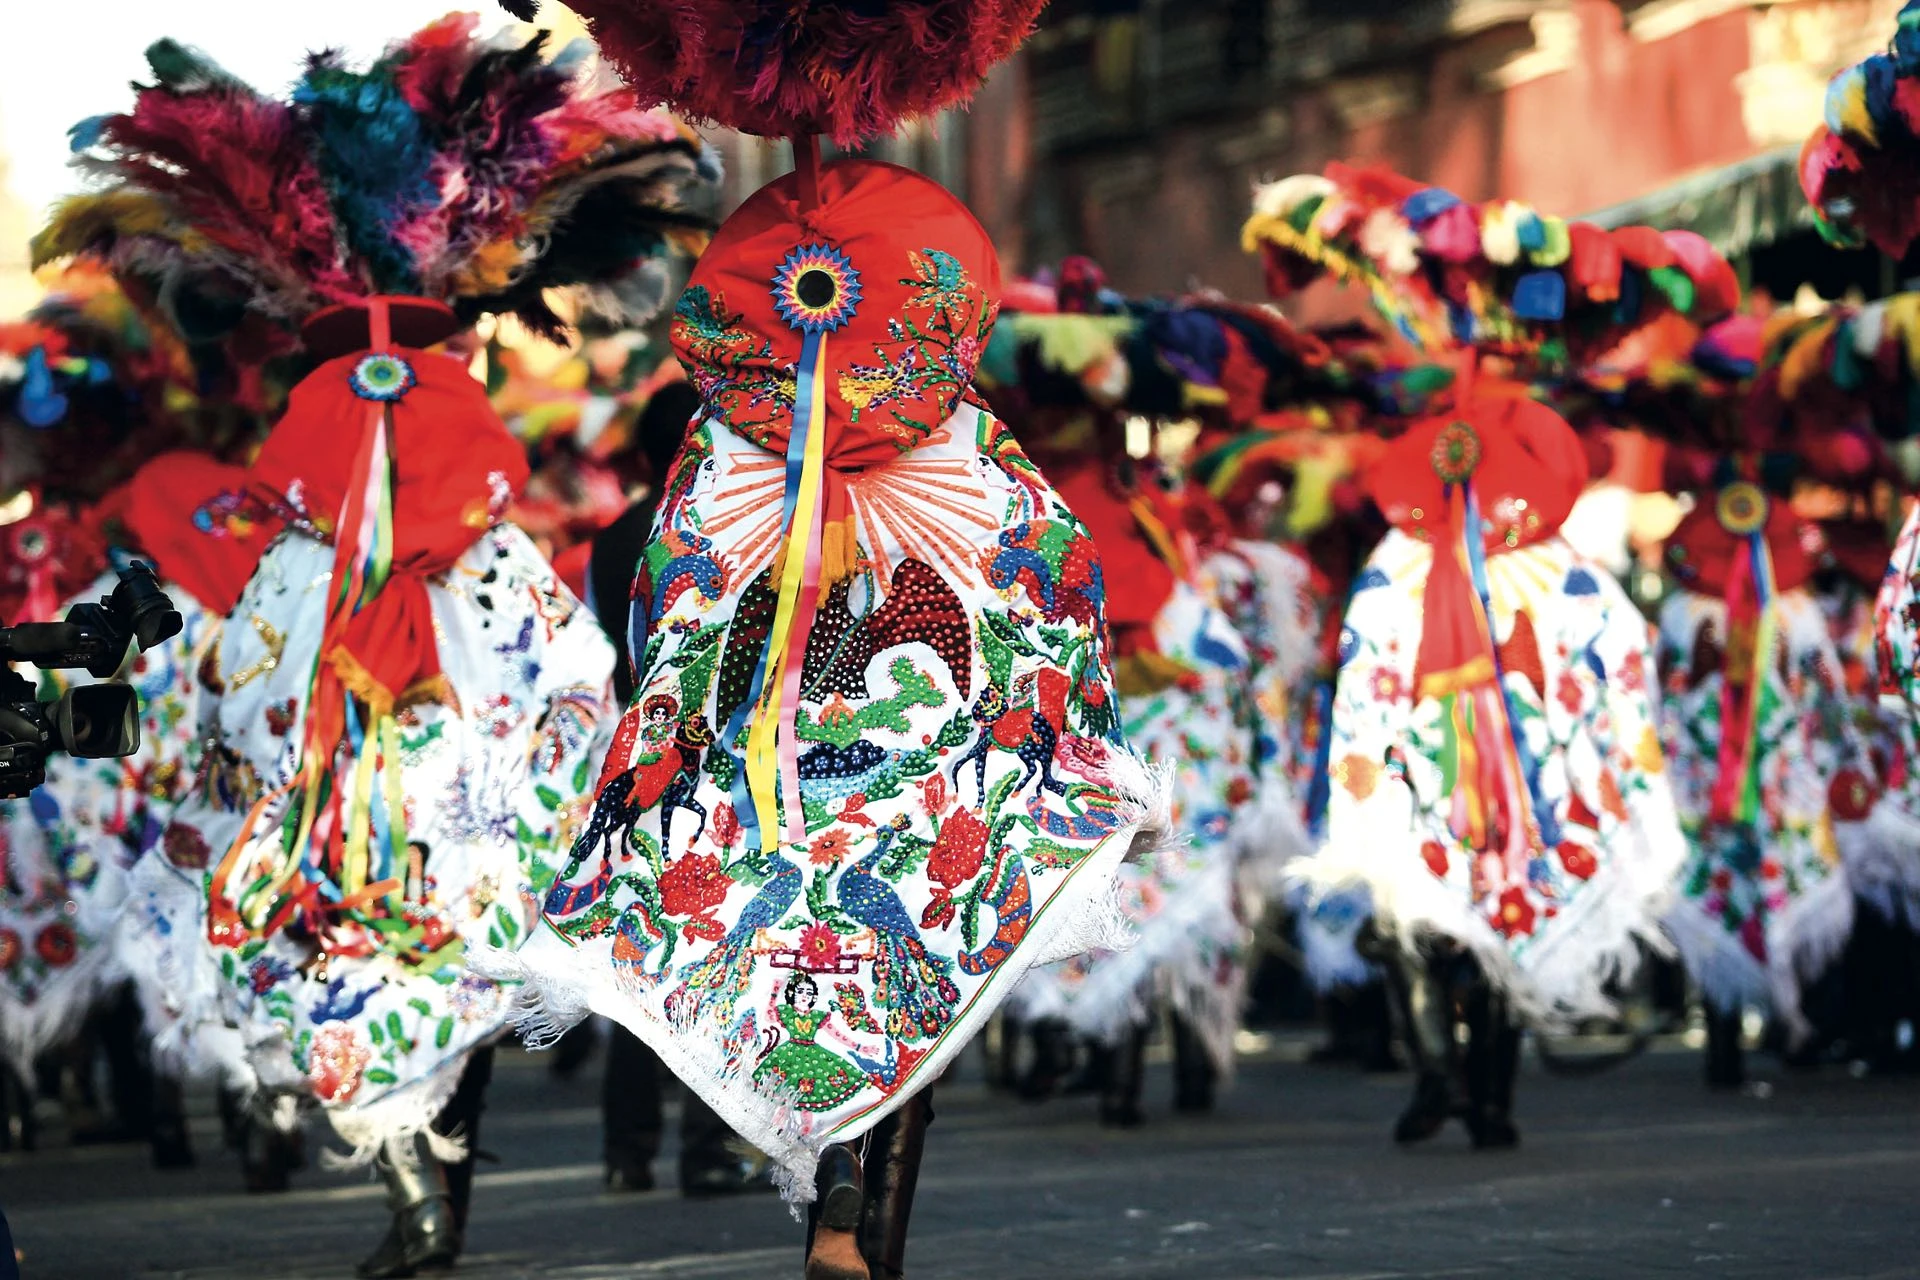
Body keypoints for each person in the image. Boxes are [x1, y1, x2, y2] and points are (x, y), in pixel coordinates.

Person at [44, 17, 711, 1273]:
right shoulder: (495, 558)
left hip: (336, 821)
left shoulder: (296, 557)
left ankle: (416, 1191)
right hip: (459, 819)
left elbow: (239, 696)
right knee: (460, 972)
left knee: (342, 975)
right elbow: (570, 677)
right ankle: (436, 1189)